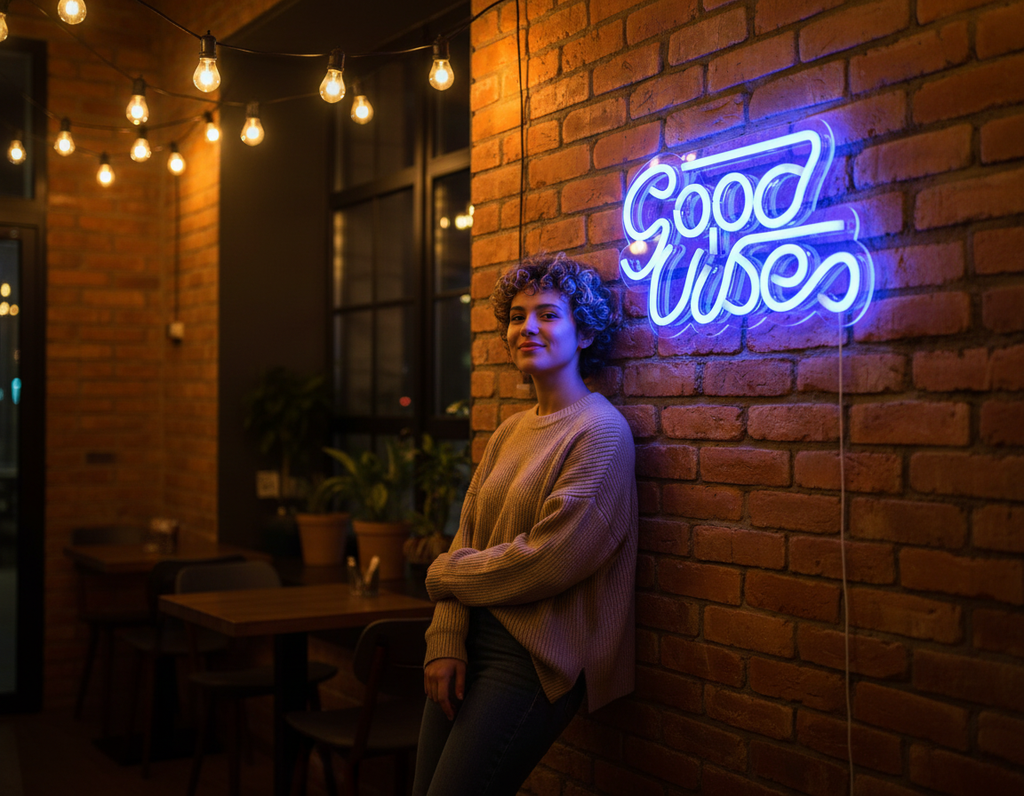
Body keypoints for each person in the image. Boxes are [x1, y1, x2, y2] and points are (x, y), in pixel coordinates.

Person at [412, 253, 638, 796]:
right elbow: (466, 540)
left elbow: (549, 560)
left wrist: (443, 575)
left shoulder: (600, 432)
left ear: (584, 334)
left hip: (535, 656)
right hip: (468, 635)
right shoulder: (509, 431)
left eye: (548, 314)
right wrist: (444, 637)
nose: (526, 328)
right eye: (516, 315)